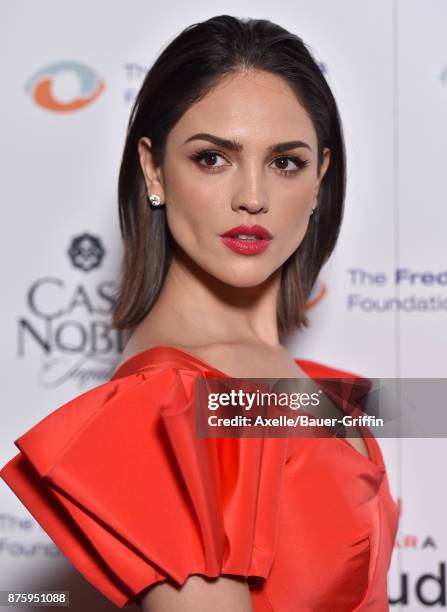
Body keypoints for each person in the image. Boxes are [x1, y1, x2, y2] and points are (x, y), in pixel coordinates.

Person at [0, 14, 400, 611]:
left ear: (320, 177)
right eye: (213, 158)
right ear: (154, 168)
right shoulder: (173, 402)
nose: (253, 198)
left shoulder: (306, 382)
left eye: (284, 162)